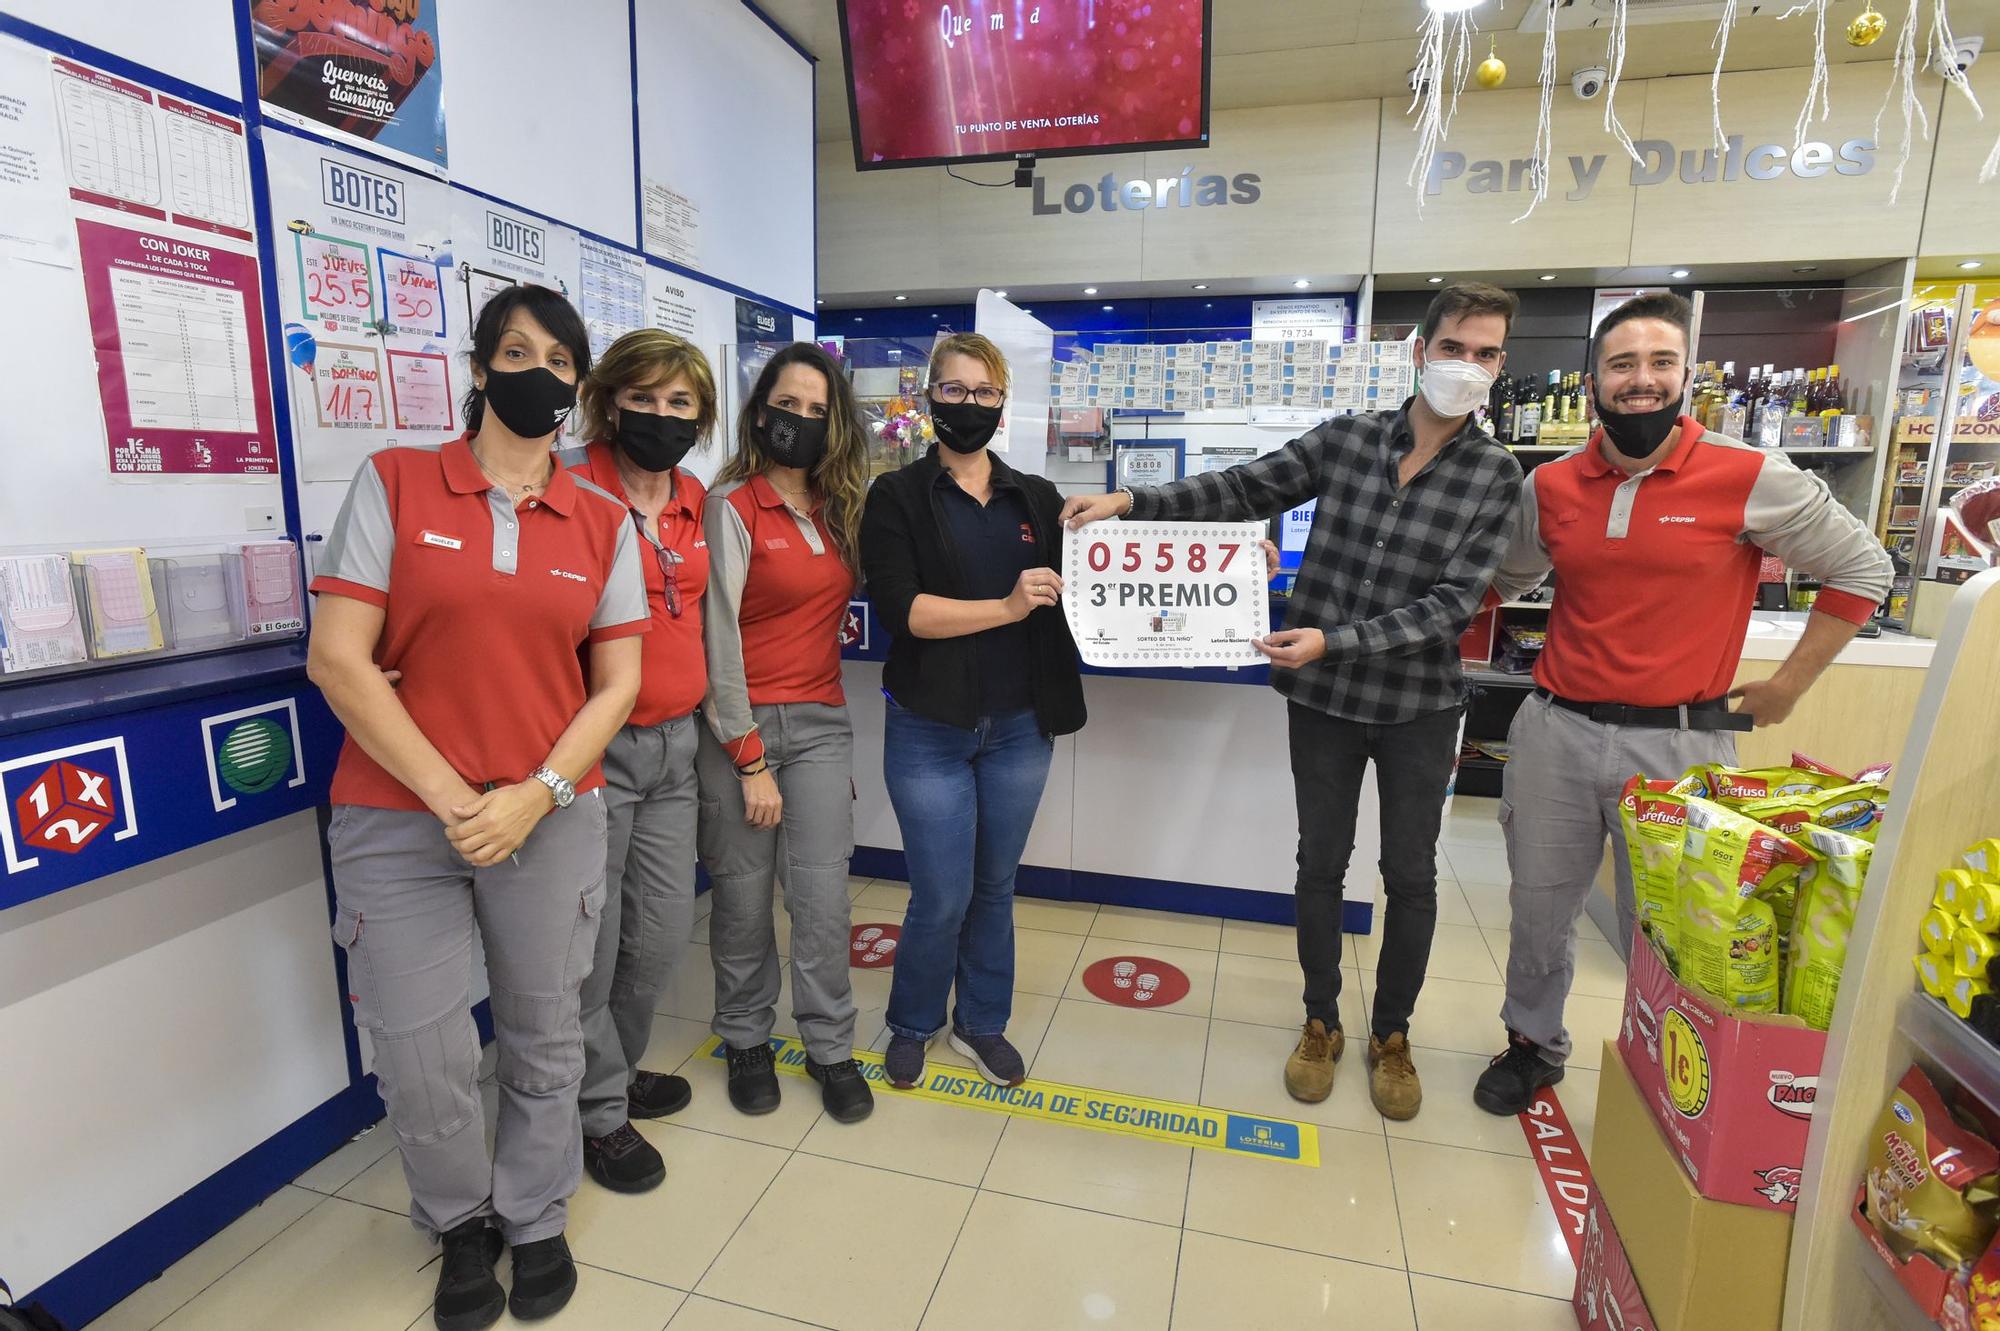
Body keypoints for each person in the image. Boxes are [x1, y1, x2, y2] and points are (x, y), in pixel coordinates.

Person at [1061, 284, 1526, 1122]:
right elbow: (1245, 487)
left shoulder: (1497, 474)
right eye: (1455, 346)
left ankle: (1394, 1035)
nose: (1468, 365)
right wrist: (1131, 501)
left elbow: (1453, 605)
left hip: (1419, 705)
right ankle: (1321, 1020)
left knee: (1409, 876)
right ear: (1421, 350)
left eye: (1486, 353)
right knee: (1320, 863)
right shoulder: (1347, 440)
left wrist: (1330, 637)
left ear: (1500, 367)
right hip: (1325, 701)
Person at [307, 284, 645, 1330]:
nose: (534, 370)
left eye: (556, 357)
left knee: (546, 1031)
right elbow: (338, 659)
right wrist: (461, 798)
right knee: (421, 1047)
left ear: (578, 387)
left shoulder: (599, 519)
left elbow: (617, 683)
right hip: (400, 817)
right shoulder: (399, 482)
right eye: (514, 349)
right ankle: (460, 1221)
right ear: (480, 365)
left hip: (549, 816)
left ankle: (533, 1212)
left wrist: (534, 796)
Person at [1472, 291, 1894, 1116]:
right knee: (1538, 905)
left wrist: (1790, 684)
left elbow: (1863, 570)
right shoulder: (1552, 484)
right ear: (1592, 379)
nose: (1640, 381)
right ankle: (1532, 1044)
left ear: (1686, 375)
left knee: (1673, 926)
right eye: (1622, 365)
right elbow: (1504, 578)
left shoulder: (1749, 475)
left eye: (1659, 363)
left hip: (1679, 745)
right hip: (1556, 728)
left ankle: (1673, 1067)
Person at [859, 333, 1086, 1090]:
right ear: (928, 400)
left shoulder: (1038, 498)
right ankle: (913, 1022)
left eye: (984, 392)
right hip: (930, 727)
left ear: (1002, 402)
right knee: (942, 891)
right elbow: (905, 611)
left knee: (995, 885)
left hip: (1022, 726)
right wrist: (1006, 604)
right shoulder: (896, 497)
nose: (969, 405)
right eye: (953, 391)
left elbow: (1087, 582)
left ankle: (981, 1022)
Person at [698, 342, 875, 1123]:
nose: (797, 421)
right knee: (740, 900)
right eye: (785, 405)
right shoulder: (731, 504)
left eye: (815, 410)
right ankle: (745, 1037)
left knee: (822, 896)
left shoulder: (840, 507)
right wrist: (746, 756)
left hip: (822, 721)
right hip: (742, 729)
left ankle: (830, 1045)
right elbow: (716, 637)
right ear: (759, 408)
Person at [560, 331, 716, 1195]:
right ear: (610, 400)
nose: (661, 416)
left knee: (654, 937)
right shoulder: (570, 485)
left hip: (676, 745)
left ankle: (609, 1074)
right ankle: (597, 1113)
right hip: (593, 748)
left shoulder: (693, 493)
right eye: (644, 399)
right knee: (590, 938)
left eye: (680, 403)